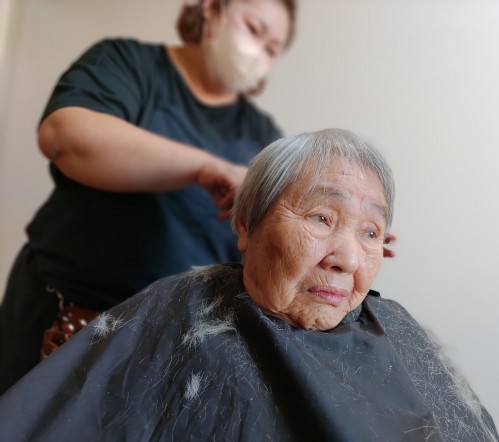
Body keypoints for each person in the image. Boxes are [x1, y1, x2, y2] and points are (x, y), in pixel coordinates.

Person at [0, 129, 499, 442]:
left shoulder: (398, 331)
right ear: (247, 224)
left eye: (370, 231)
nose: (347, 258)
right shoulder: (176, 313)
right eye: (321, 218)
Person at [0, 0, 297, 393]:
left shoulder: (264, 138)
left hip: (174, 354)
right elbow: (64, 137)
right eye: (254, 29)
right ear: (211, 9)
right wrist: (204, 168)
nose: (258, 51)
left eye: (273, 48)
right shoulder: (127, 65)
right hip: (66, 322)